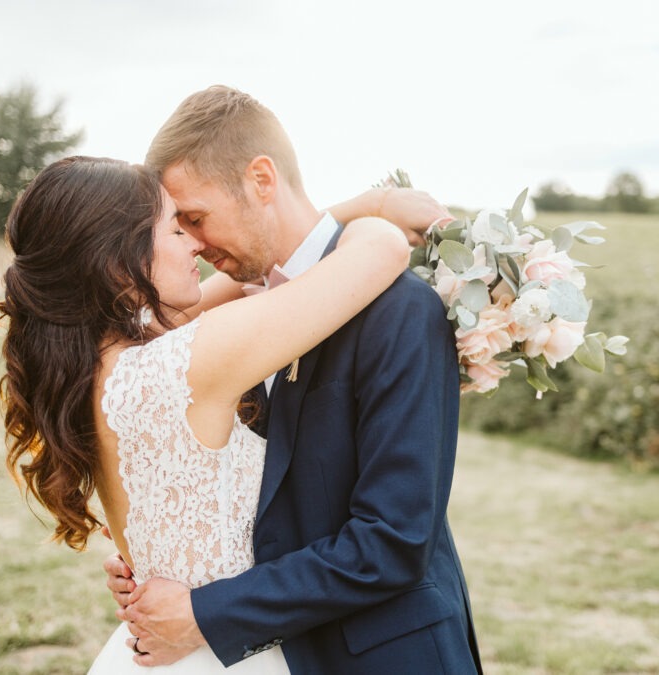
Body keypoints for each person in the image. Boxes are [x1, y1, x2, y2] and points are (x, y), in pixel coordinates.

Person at [0, 154, 450, 673]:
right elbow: (381, 251)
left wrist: (356, 203)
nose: (197, 244)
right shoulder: (185, 362)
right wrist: (378, 215)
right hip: (229, 653)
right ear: (118, 260)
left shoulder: (92, 367)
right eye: (174, 228)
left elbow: (272, 267)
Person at [103, 85, 483, 674]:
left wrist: (207, 610)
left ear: (261, 180)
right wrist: (165, 561)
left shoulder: (401, 309)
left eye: (197, 218)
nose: (196, 247)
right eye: (180, 227)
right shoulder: (230, 329)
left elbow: (395, 540)